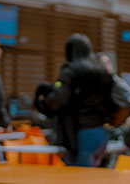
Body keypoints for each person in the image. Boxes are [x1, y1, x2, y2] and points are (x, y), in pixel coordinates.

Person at [46, 34, 115, 167]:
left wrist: (52, 91)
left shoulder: (70, 70)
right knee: (94, 177)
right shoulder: (102, 71)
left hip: (80, 133)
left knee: (79, 178)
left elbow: (57, 99)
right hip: (102, 131)